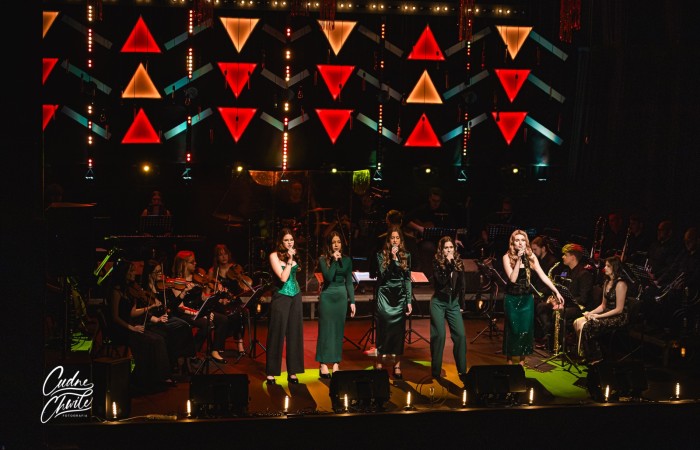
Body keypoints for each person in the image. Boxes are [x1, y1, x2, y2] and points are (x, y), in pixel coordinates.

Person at [107, 259, 175, 391]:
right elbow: (115, 317)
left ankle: (155, 376)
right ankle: (151, 378)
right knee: (154, 340)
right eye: (131, 271)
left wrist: (149, 307)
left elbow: (132, 312)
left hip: (131, 326)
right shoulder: (116, 292)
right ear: (124, 273)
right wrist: (132, 328)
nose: (134, 273)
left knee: (160, 337)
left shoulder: (129, 290)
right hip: (121, 329)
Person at [502, 230, 564, 366]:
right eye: (517, 240)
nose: (520, 243)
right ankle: (510, 362)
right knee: (513, 330)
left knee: (525, 330)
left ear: (526, 242)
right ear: (513, 243)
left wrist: (556, 291)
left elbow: (543, 275)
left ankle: (521, 364)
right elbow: (513, 279)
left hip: (526, 299)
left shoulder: (531, 257)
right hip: (512, 298)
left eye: (523, 240)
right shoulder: (507, 257)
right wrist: (519, 260)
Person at [168, 250, 230, 364]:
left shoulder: (196, 278)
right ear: (183, 264)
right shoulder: (177, 282)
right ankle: (192, 352)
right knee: (206, 324)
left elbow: (203, 298)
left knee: (223, 319)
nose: (195, 263)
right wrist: (200, 314)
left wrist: (216, 295)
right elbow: (180, 307)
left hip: (197, 310)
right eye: (192, 262)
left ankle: (215, 350)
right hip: (184, 314)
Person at [141, 259, 195, 377]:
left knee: (185, 326)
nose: (161, 274)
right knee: (178, 328)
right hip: (154, 321)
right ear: (149, 274)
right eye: (157, 272)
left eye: (161, 271)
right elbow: (145, 312)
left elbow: (172, 306)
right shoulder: (144, 290)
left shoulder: (162, 287)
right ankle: (177, 362)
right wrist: (157, 317)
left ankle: (184, 360)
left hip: (166, 318)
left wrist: (183, 292)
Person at [266, 228, 305, 384]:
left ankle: (293, 371)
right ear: (280, 242)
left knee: (294, 333)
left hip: (295, 295)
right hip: (281, 295)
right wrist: (289, 260)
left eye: (291, 240)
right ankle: (271, 372)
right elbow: (283, 278)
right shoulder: (274, 256)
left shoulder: (293, 255)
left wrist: (292, 258)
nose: (290, 243)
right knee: (277, 333)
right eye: (286, 240)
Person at [315, 231, 356, 378]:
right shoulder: (323, 259)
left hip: (341, 297)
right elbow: (328, 276)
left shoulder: (347, 260)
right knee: (325, 330)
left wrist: (352, 301)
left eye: (338, 242)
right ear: (329, 245)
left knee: (339, 330)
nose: (336, 244)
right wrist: (333, 260)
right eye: (333, 242)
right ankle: (323, 364)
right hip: (327, 296)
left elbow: (349, 282)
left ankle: (336, 363)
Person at [573, 256, 628, 364]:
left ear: (615, 267)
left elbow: (619, 309)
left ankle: (596, 357)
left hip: (618, 317)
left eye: (608, 266)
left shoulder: (621, 284)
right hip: (607, 312)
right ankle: (585, 353)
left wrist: (598, 316)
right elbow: (603, 305)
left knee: (587, 326)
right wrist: (590, 313)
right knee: (577, 322)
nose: (604, 268)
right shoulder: (607, 282)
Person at [375, 225, 413, 379]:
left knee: (398, 332)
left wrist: (409, 301)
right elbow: (383, 275)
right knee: (383, 329)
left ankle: (397, 365)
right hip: (385, 294)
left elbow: (407, 279)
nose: (395, 240)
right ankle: (379, 362)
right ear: (388, 240)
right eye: (392, 238)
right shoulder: (381, 255)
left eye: (397, 238)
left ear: (400, 240)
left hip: (400, 296)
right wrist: (392, 259)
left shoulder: (406, 255)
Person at [429, 236, 467, 381]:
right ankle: (436, 371)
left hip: (453, 303)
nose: (449, 250)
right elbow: (441, 282)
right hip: (438, 302)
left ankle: (462, 371)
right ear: (441, 250)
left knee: (460, 336)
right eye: (446, 248)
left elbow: (462, 285)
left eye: (451, 247)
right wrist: (449, 264)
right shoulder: (436, 263)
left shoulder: (459, 262)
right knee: (439, 336)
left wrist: (462, 304)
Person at [405, 187, 458, 280]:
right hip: (426, 239)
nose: (435, 203)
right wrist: (419, 228)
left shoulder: (445, 209)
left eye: (438, 201)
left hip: (441, 239)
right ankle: (428, 275)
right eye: (433, 200)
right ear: (429, 198)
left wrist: (456, 239)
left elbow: (454, 227)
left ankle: (446, 277)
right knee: (428, 247)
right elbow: (405, 219)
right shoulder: (423, 209)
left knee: (450, 248)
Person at [207, 244, 249, 357]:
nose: (224, 257)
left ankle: (239, 342)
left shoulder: (235, 268)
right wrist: (219, 297)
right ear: (217, 257)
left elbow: (242, 287)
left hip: (234, 299)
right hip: (219, 302)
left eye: (225, 254)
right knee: (229, 314)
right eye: (220, 255)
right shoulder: (213, 271)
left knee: (241, 312)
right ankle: (221, 341)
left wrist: (241, 281)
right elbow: (209, 291)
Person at [530, 235, 559, 346]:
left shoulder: (552, 262)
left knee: (536, 305)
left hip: (547, 293)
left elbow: (553, 282)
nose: (533, 252)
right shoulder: (538, 260)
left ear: (543, 248)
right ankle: (536, 335)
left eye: (535, 249)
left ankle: (543, 336)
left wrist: (540, 292)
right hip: (538, 292)